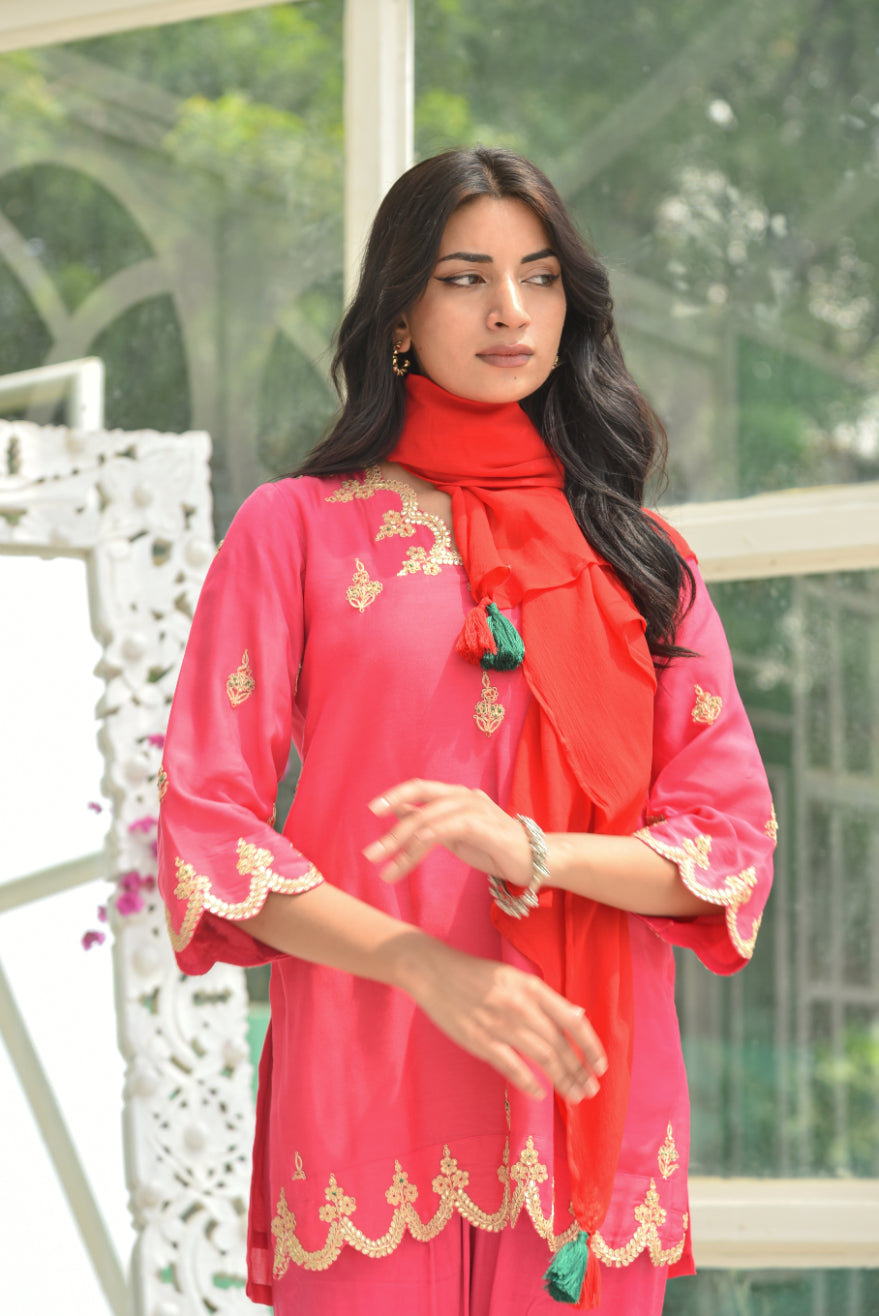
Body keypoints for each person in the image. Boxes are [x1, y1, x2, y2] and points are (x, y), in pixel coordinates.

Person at [157, 147, 774, 1315]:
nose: (510, 311)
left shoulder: (644, 562)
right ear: (399, 313)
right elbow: (209, 832)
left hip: (586, 1082)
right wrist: (420, 962)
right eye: (465, 277)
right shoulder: (296, 530)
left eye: (540, 278)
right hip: (372, 1088)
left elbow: (730, 846)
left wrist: (533, 850)